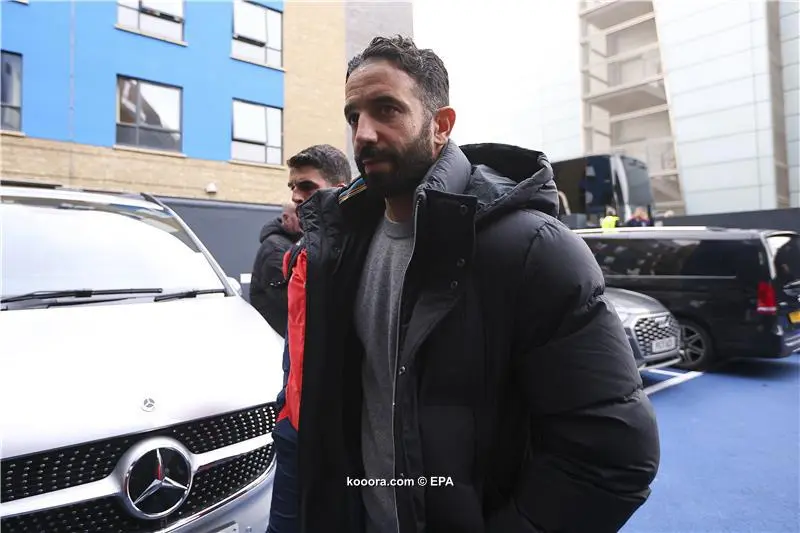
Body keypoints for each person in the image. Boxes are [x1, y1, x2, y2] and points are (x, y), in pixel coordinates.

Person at [291, 35, 660, 533]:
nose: (364, 134)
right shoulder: (343, 246)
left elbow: (611, 461)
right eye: (354, 116)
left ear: (441, 126)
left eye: (386, 110)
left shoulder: (533, 250)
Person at [267, 143, 351, 533]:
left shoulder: (358, 249)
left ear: (340, 186)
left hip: (336, 440)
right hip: (293, 429)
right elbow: (294, 341)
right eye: (293, 187)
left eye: (307, 186)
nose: (296, 196)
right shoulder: (299, 253)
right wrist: (286, 407)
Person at [249, 202, 302, 336]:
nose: (307, 219)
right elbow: (285, 296)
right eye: (301, 215)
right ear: (286, 218)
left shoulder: (288, 243)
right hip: (275, 333)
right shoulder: (275, 248)